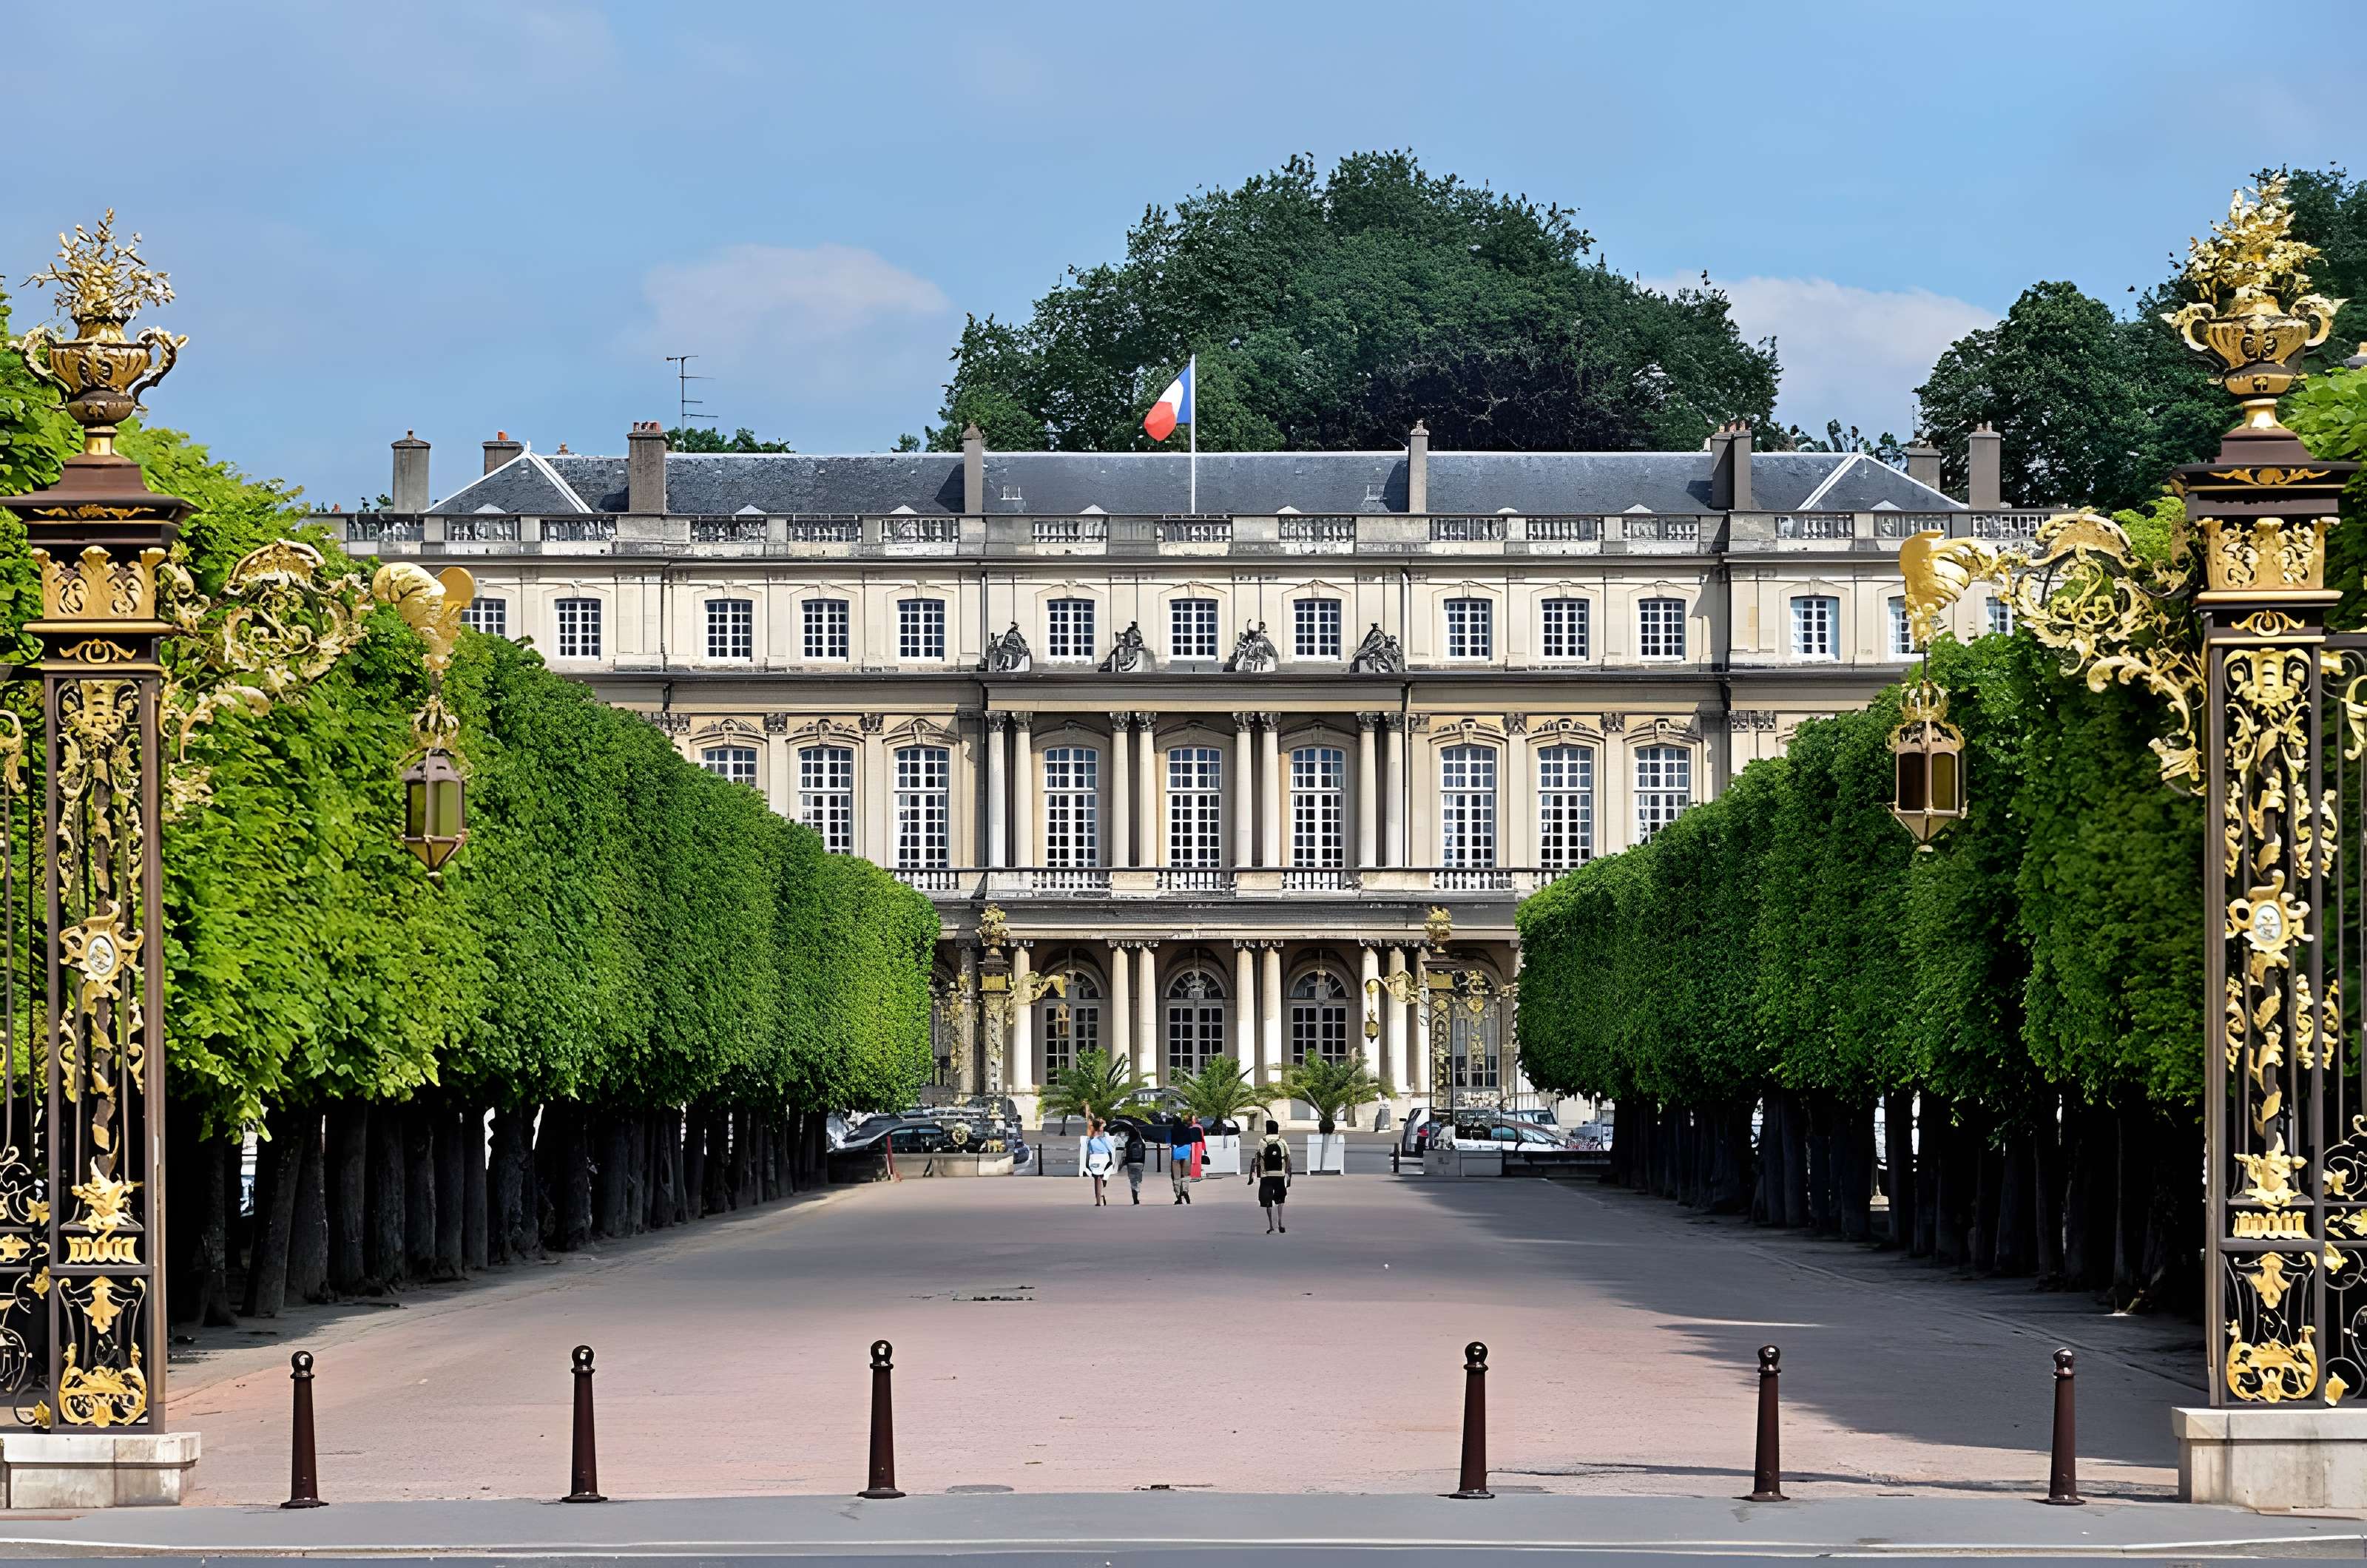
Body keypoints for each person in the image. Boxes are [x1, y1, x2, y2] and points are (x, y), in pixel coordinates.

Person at [1248, 1118, 1291, 1234]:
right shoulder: (1282, 1141)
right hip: (1279, 1174)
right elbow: (1288, 1158)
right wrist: (1287, 1173)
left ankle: (1271, 1225)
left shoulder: (1262, 1141)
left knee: (1268, 1201)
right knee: (1280, 1199)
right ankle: (1280, 1223)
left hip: (1266, 1175)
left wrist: (1255, 1174)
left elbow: (1258, 1158)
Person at [1169, 1115, 1203, 1204]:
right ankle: (1185, 1191)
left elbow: (1171, 1142)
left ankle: (1179, 1196)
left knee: (1176, 1177)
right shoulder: (1187, 1129)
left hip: (1176, 1155)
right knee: (1186, 1175)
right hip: (1186, 1154)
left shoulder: (1173, 1130)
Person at [1083, 1119, 1114, 1206]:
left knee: (1096, 1179)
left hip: (1094, 1158)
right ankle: (1102, 1193)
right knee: (1102, 1177)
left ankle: (1098, 1200)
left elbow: (1089, 1151)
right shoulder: (1102, 1138)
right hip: (1104, 1157)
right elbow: (1110, 1149)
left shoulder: (1090, 1139)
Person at [1120, 1121, 1148, 1204]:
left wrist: (1123, 1163)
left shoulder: (1128, 1143)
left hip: (1130, 1163)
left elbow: (1125, 1154)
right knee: (1138, 1179)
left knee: (1132, 1180)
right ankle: (1137, 1189)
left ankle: (1135, 1196)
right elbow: (1144, 1153)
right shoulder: (1141, 1142)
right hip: (1140, 1163)